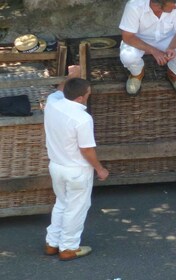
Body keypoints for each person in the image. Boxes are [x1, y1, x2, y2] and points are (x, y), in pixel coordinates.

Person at [44, 65, 109, 261]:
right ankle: (69, 248)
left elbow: (59, 91)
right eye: (88, 94)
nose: (89, 96)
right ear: (80, 98)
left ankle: (52, 243)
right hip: (77, 170)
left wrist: (72, 76)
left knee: (61, 204)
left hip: (56, 165)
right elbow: (87, 149)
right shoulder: (83, 118)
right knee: (76, 208)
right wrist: (100, 169)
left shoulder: (52, 103)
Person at [119, 0, 176, 96]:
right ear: (157, 5)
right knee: (127, 56)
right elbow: (127, 37)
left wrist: (172, 47)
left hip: (168, 39)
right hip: (140, 41)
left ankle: (173, 74)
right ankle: (137, 74)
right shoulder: (134, 5)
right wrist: (153, 51)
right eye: (172, 4)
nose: (175, 7)